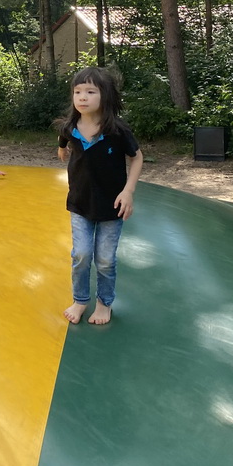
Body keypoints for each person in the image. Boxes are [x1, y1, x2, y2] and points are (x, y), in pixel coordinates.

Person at [57, 67, 144, 326]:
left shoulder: (117, 130)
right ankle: (80, 300)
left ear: (104, 96)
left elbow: (136, 157)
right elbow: (62, 140)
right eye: (77, 92)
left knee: (105, 260)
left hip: (111, 206)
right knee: (81, 254)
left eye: (90, 91)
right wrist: (61, 150)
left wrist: (128, 191)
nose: (82, 97)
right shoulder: (70, 128)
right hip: (81, 204)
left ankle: (104, 302)